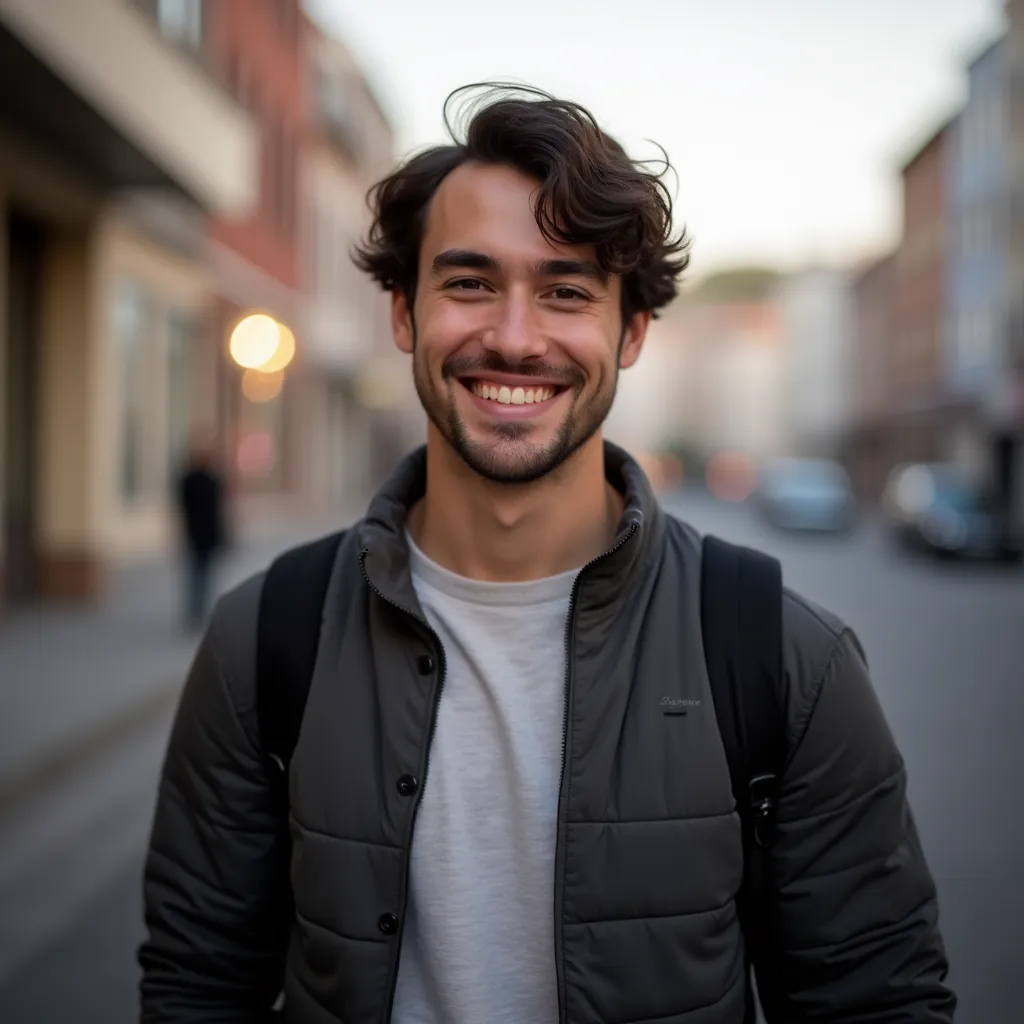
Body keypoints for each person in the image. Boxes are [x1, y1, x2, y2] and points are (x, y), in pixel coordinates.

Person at [139, 85, 955, 1023]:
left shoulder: (781, 656)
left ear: (631, 331)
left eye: (566, 291)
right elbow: (195, 987)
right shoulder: (263, 638)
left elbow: (878, 1002)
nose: (515, 338)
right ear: (403, 313)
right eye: (470, 282)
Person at [175, 436, 226, 631]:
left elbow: (220, 510)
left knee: (206, 574)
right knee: (195, 574)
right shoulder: (189, 479)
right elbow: (182, 508)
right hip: (195, 534)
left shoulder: (214, 478)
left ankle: (202, 610)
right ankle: (194, 612)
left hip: (209, 535)